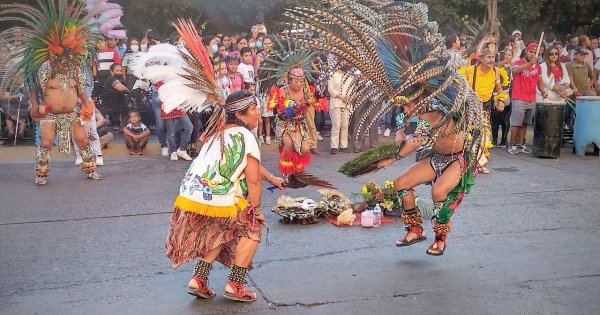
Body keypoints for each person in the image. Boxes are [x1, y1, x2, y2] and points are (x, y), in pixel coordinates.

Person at [0, 0, 102, 185]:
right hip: (50, 112)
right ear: (54, 57)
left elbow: (81, 90)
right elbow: (32, 83)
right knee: (46, 143)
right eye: (62, 62)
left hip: (72, 113)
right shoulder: (45, 69)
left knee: (83, 141)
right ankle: (41, 174)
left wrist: (86, 103)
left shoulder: (75, 69)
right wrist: (35, 104)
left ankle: (90, 170)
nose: (66, 65)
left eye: (68, 61)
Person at [463, 48, 507, 174]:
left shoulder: (495, 71)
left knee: (485, 136)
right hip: (470, 109)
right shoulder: (470, 71)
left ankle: (481, 164)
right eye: (488, 57)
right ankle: (468, 164)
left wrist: (501, 100)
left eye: (493, 57)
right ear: (481, 59)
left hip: (485, 109)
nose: (491, 60)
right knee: (470, 137)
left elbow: (499, 89)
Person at [508, 43, 545, 155]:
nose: (533, 54)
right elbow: (514, 71)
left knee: (525, 123)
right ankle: (512, 145)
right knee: (516, 123)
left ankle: (520, 144)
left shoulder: (537, 66)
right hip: (519, 98)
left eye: (535, 52)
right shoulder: (517, 62)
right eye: (531, 52)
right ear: (526, 51)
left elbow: (539, 81)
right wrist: (529, 64)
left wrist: (543, 91)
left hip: (531, 99)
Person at [328, 61, 354, 154]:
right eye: (344, 61)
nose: (346, 64)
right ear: (340, 62)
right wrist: (340, 96)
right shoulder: (332, 74)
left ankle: (344, 145)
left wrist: (349, 97)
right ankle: (334, 146)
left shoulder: (350, 76)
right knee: (336, 124)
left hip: (346, 103)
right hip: (336, 102)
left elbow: (352, 88)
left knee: (345, 125)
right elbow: (330, 89)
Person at [492, 48, 513, 148]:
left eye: (509, 55)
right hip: (495, 95)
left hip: (507, 95)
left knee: (505, 120)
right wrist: (501, 63)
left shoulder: (512, 68)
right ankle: (494, 139)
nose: (507, 57)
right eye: (505, 54)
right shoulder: (495, 66)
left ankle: (504, 140)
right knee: (495, 119)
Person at [102, 63, 130, 131]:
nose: (119, 73)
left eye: (120, 71)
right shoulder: (111, 78)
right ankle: (123, 127)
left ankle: (123, 126)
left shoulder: (119, 79)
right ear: (111, 71)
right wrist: (129, 91)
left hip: (117, 100)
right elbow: (121, 88)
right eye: (117, 71)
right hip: (111, 101)